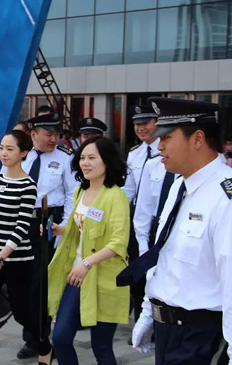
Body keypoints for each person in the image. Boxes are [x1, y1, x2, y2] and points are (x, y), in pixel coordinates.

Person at [118, 98, 232, 364]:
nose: (159, 146)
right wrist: (148, 313)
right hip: (169, 330)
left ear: (198, 138)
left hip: (200, 336)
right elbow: (164, 256)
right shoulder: (180, 185)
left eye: (166, 137)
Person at [0, 129, 51, 365]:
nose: (4, 153)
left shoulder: (28, 185)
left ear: (23, 153)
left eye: (10, 149)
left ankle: (44, 345)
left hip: (17, 260)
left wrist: (1, 258)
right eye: (1, 148)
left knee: (21, 313)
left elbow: (22, 226)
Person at [48, 136, 130, 365]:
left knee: (101, 346)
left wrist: (87, 263)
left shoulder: (116, 196)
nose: (85, 163)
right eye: (82, 157)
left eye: (92, 158)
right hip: (76, 274)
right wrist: (61, 229)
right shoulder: (80, 191)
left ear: (107, 161)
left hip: (103, 277)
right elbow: (83, 227)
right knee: (60, 337)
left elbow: (118, 242)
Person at [10, 111, 78, 359]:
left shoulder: (66, 158)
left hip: (48, 222)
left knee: (40, 283)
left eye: (57, 134)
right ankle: (32, 332)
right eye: (48, 134)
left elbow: (72, 194)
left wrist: (64, 228)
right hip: (21, 221)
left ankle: (37, 338)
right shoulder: (21, 155)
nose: (54, 139)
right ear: (33, 134)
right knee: (20, 279)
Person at [122, 104, 160, 324]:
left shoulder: (166, 151)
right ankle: (140, 322)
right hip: (138, 222)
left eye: (145, 123)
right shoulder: (134, 154)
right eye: (137, 124)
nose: (140, 128)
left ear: (157, 123)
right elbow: (127, 191)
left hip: (161, 220)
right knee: (138, 273)